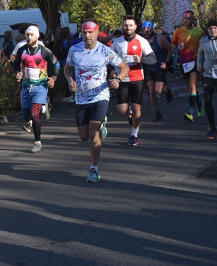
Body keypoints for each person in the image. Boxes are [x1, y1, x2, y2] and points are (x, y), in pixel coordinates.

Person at [64, 20, 130, 183]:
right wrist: (70, 80)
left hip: (100, 96)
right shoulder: (75, 50)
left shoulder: (104, 51)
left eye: (90, 32)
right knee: (83, 136)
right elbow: (67, 68)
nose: (87, 35)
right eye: (84, 32)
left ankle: (94, 169)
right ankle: (102, 126)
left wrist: (118, 80)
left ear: (96, 33)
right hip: (81, 97)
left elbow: (124, 68)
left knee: (93, 132)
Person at [11, 25, 59, 152]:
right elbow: (15, 65)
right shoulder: (22, 50)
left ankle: (37, 142)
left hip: (40, 87)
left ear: (37, 36)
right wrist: (17, 73)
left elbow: (56, 63)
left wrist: (53, 78)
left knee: (34, 114)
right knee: (27, 116)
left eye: (31, 34)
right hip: (26, 87)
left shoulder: (44, 51)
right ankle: (44, 106)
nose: (29, 37)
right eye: (27, 34)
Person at [110, 16, 157, 146]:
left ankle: (134, 135)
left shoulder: (142, 41)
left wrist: (141, 59)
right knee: (121, 110)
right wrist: (112, 71)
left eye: (131, 25)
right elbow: (110, 60)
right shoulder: (117, 42)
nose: (128, 28)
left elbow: (153, 59)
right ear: (123, 26)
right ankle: (128, 110)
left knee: (137, 108)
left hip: (137, 78)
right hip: (122, 79)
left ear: (135, 27)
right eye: (126, 25)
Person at [171, 10, 204, 121]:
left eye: (189, 18)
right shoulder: (178, 31)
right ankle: (199, 103)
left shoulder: (199, 31)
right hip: (184, 62)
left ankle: (191, 111)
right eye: (185, 18)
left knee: (193, 85)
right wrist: (177, 48)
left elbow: (204, 43)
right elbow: (172, 45)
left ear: (193, 19)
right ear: (183, 19)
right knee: (189, 87)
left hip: (195, 61)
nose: (187, 20)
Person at [142, 23, 175, 121]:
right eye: (144, 29)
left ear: (152, 29)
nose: (146, 30)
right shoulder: (142, 41)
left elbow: (170, 50)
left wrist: (166, 62)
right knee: (151, 91)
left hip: (159, 68)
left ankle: (166, 90)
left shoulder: (160, 38)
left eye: (148, 28)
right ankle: (157, 112)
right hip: (149, 68)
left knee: (158, 91)